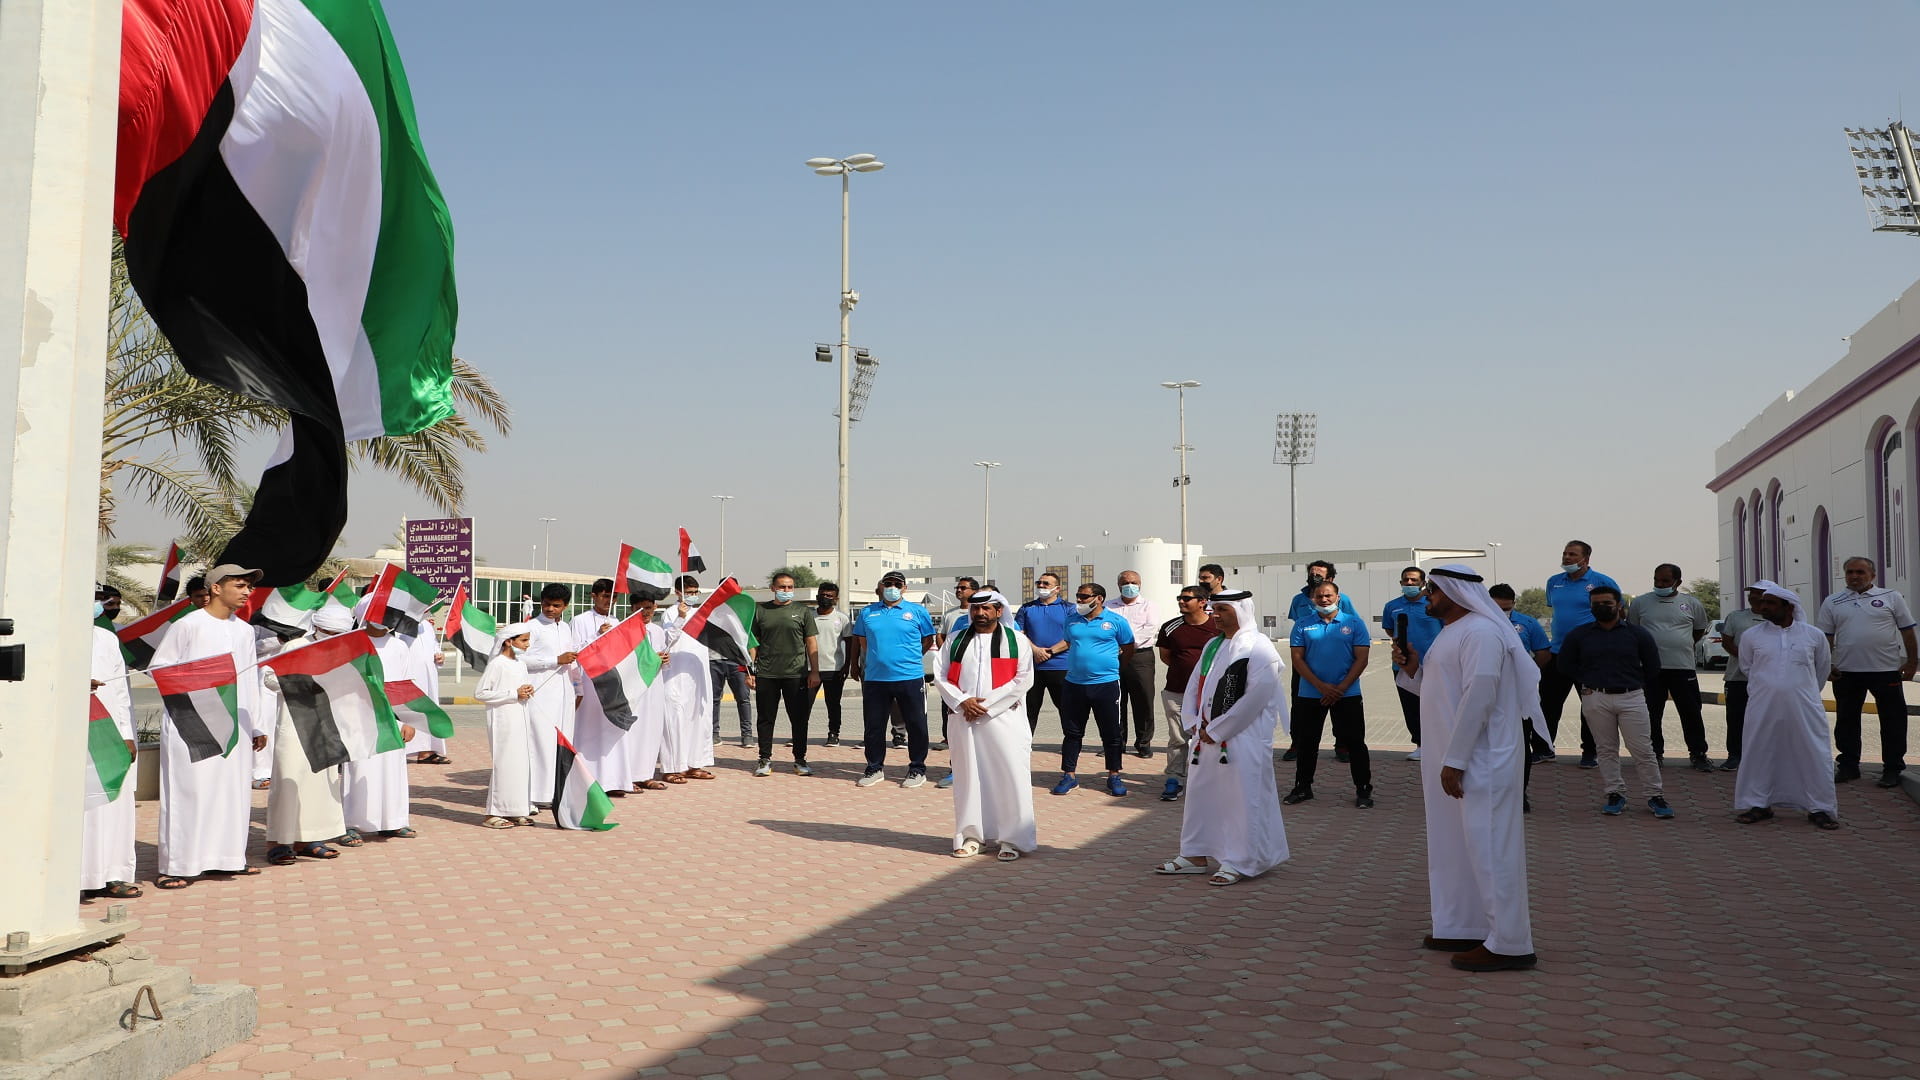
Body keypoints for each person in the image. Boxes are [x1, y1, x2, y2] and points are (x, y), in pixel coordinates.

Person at [1415, 565, 1547, 972]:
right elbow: (1441, 690)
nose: (1425, 597)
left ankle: (1510, 943)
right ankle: (1462, 924)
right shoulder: (1454, 631)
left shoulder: (1482, 632)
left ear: (1457, 592)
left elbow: (1479, 697)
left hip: (1482, 758)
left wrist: (1455, 759)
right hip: (1453, 758)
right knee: (1455, 843)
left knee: (1491, 848)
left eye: (1433, 590)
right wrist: (1408, 669)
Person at [1153, 590, 1288, 887]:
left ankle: (1240, 859)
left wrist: (1217, 730)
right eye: (1214, 608)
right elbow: (1193, 686)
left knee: (1241, 799)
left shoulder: (1259, 647)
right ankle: (1195, 854)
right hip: (1204, 737)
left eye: (1223, 609)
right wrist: (1192, 721)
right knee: (1202, 796)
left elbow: (1256, 698)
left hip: (1242, 738)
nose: (1216, 614)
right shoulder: (1214, 644)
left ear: (1241, 611)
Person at [149, 564, 269, 889]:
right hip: (192, 722)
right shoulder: (187, 626)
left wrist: (256, 725)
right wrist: (204, 681)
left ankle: (227, 858)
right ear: (216, 588)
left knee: (231, 793)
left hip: (235, 724)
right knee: (191, 792)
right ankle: (178, 865)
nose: (247, 592)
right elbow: (159, 669)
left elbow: (248, 682)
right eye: (241, 585)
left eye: (249, 587)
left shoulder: (244, 631)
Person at [935, 591, 1037, 860]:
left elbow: (1023, 680)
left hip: (1004, 720)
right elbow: (941, 676)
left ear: (999, 611)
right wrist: (963, 701)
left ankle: (1011, 840)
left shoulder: (1016, 640)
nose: (980, 613)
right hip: (964, 719)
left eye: (986, 609)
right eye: (975, 609)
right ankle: (971, 836)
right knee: (969, 778)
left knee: (1010, 776)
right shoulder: (956, 640)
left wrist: (985, 706)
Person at [1556, 586, 1672, 819]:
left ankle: (1655, 795)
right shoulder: (1579, 635)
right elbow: (1565, 665)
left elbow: (1653, 667)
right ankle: (1615, 793)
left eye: (1607, 603)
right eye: (1596, 603)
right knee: (1606, 750)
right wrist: (1586, 681)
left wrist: (1634, 682)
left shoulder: (1638, 634)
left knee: (1643, 750)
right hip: (1595, 697)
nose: (1601, 607)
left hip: (1632, 697)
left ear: (1619, 605)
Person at [1737, 581, 1841, 830]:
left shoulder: (1812, 635)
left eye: (1770, 603)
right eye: (1762, 602)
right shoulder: (1752, 636)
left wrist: (1800, 692)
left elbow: (1822, 669)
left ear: (1788, 607)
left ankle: (1819, 808)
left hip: (1804, 706)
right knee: (1759, 752)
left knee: (1813, 753)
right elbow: (1747, 667)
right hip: (1762, 706)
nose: (1764, 607)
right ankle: (1758, 804)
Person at [261, 606, 353, 863]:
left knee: (320, 784)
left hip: (325, 725)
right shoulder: (296, 646)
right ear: (317, 628)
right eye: (329, 632)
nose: (333, 636)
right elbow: (269, 678)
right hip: (294, 723)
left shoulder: (342, 651)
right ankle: (277, 843)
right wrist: (304, 682)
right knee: (289, 781)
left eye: (339, 633)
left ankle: (308, 839)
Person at [1814, 556, 1916, 787]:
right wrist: (1825, 665)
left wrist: (1912, 663)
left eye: (1860, 572)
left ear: (1872, 575)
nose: (1854, 576)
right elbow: (1825, 638)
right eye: (1850, 572)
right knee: (1847, 721)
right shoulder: (1833, 601)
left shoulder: (1891, 597)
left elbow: (1908, 632)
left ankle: (1892, 769)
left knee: (1893, 722)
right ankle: (1849, 766)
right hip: (1847, 672)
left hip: (1886, 670)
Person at [1285, 580, 1373, 808]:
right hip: (1310, 694)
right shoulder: (1303, 625)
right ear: (1312, 598)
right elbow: (1297, 659)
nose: (1324, 600)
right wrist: (1321, 686)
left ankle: (1363, 789)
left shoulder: (1354, 623)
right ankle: (1303, 787)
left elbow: (1361, 659)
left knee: (1355, 742)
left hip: (1348, 693)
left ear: (1338, 597)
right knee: (1307, 743)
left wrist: (1341, 688)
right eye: (1319, 596)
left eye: (1328, 596)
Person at [850, 571, 937, 788]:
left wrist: (909, 657)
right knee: (874, 725)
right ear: (881, 586)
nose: (892, 587)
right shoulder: (868, 612)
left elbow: (927, 640)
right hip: (876, 679)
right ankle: (874, 767)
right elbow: (862, 641)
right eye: (888, 583)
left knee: (916, 724)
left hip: (910, 677)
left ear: (904, 588)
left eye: (897, 584)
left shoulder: (917, 611)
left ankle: (917, 769)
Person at [1050, 583, 1137, 797]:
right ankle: (1068, 775)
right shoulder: (1072, 620)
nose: (1079, 600)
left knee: (1111, 733)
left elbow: (1128, 647)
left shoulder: (1116, 621)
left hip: (1106, 684)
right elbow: (1069, 642)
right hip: (1074, 684)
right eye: (1078, 595)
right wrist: (1049, 651)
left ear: (1098, 598)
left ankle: (1114, 775)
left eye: (1084, 596)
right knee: (1072, 732)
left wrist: (1116, 667)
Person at [1539, 540, 1620, 769]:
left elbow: (1617, 613)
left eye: (1572, 554)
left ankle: (1590, 753)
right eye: (1564, 553)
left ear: (1586, 559)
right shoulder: (1554, 582)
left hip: (1589, 656)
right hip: (1557, 653)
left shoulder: (1602, 582)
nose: (1566, 558)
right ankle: (1544, 749)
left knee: (1591, 707)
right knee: (1548, 704)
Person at [1628, 564, 1715, 770]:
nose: (1660, 584)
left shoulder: (1691, 603)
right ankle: (1654, 754)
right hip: (1650, 668)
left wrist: (1678, 644)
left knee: (1691, 711)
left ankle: (1698, 753)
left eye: (1665, 581)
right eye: (1657, 580)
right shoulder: (1641, 603)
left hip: (1682, 667)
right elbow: (1633, 631)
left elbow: (1698, 631)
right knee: (1651, 713)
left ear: (1678, 582)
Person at [341, 614, 420, 841]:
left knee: (392, 769)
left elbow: (407, 683)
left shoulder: (399, 646)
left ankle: (393, 822)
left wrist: (408, 720)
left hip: (393, 716)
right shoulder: (352, 642)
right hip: (359, 716)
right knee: (360, 769)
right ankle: (352, 823)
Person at [83, 609, 139, 898]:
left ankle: (112, 874)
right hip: (75, 734)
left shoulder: (105, 638)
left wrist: (127, 735)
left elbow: (120, 693)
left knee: (114, 804)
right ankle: (80, 878)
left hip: (109, 732)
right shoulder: (53, 632)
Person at [570, 579, 638, 797]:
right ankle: (588, 779)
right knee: (589, 729)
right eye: (605, 596)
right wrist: (596, 636)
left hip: (613, 682)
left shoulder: (619, 622)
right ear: (594, 596)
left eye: (614, 597)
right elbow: (574, 651)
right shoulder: (579, 621)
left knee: (613, 730)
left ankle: (614, 779)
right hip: (589, 682)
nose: (609, 600)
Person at [1282, 561, 1355, 763]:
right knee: (1299, 706)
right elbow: (1298, 627)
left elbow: (1352, 624)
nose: (1314, 577)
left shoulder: (1343, 600)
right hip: (1305, 665)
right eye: (1312, 573)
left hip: (1337, 664)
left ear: (1330, 579)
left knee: (1340, 706)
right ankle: (1297, 743)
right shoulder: (1299, 600)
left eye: (1320, 575)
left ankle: (1342, 745)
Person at [749, 573, 820, 777]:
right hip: (767, 673)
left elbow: (811, 642)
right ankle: (764, 759)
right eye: (782, 587)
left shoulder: (802, 611)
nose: (786, 591)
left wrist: (814, 671)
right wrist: (750, 670)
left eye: (789, 587)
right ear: (773, 588)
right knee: (765, 718)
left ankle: (800, 759)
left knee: (799, 719)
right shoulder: (760, 610)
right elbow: (753, 643)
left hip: (796, 674)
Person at [1154, 586, 1219, 801]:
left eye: (1186, 599)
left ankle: (1208, 779)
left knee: (1210, 736)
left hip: (1210, 695)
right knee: (1177, 738)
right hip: (1176, 691)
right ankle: (1174, 778)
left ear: (1202, 602)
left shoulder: (1217, 625)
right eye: (1179, 598)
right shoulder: (1170, 627)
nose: (1181, 602)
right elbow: (1167, 656)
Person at [474, 623, 537, 827]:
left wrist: (526, 691)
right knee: (504, 765)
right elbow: (480, 693)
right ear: (508, 641)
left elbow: (520, 689)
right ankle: (493, 813)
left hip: (521, 719)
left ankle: (515, 810)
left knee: (519, 766)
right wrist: (512, 694)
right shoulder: (497, 664)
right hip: (502, 722)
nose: (527, 644)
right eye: (523, 640)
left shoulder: (520, 664)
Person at [522, 584, 579, 807]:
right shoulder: (530, 627)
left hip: (564, 693)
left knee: (560, 744)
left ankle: (553, 793)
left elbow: (571, 659)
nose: (550, 609)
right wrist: (554, 660)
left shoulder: (565, 628)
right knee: (539, 743)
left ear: (565, 606)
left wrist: (579, 689)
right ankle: (532, 795)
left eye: (556, 605)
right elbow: (518, 658)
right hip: (540, 693)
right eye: (546, 604)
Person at [1382, 566, 1442, 762]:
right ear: (1400, 583)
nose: (1409, 583)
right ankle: (1420, 745)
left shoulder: (1434, 605)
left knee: (1435, 706)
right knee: (1411, 707)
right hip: (1404, 666)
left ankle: (1440, 744)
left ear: (1422, 583)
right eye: (1406, 580)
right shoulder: (1391, 606)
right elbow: (1390, 631)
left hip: (1434, 665)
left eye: (1414, 580)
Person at [1108, 571, 1160, 759]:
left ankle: (1143, 742)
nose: (1130, 585)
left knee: (1143, 700)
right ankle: (1117, 742)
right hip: (1114, 657)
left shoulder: (1149, 606)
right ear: (1118, 584)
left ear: (1140, 584)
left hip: (1140, 657)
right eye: (1126, 582)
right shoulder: (1108, 606)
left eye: (1134, 582)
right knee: (1115, 701)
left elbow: (1149, 629)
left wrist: (1126, 645)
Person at [1014, 572, 1073, 732]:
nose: (1041, 586)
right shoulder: (1026, 608)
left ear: (1057, 588)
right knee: (1029, 710)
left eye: (1046, 584)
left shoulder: (1069, 609)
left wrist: (1051, 652)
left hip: (1061, 667)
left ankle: (1072, 744)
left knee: (1067, 709)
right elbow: (1020, 633)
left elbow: (1073, 635)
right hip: (1033, 668)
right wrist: (1036, 651)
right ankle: (1024, 744)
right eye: (1039, 583)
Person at [1717, 588, 1767, 772]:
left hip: (1768, 680)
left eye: (1759, 594)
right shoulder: (1736, 617)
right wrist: (1748, 660)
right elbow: (1727, 642)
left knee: (1766, 720)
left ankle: (1763, 757)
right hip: (1737, 678)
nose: (1754, 597)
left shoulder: (1777, 619)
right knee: (1736, 718)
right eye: (1751, 594)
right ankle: (1734, 756)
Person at [933, 577, 980, 751]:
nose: (959, 591)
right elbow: (941, 635)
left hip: (972, 667)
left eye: (963, 588)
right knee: (949, 701)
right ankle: (948, 737)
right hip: (953, 666)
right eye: (957, 588)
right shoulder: (950, 614)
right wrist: (947, 655)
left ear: (974, 591)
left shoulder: (978, 613)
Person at [811, 583, 853, 746]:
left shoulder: (842, 618)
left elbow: (849, 643)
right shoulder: (809, 616)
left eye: (829, 596)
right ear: (817, 596)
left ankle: (834, 733)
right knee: (803, 704)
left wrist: (847, 666)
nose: (825, 598)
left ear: (836, 599)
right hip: (810, 669)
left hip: (834, 669)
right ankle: (799, 733)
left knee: (833, 703)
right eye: (822, 594)